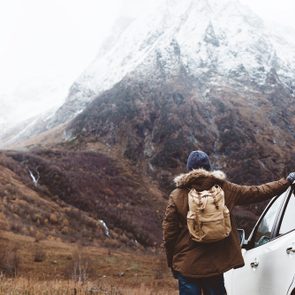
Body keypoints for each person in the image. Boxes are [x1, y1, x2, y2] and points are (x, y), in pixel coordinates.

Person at [162, 150, 295, 295]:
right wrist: (286, 182)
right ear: (209, 168)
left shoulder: (177, 195)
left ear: (189, 169)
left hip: (187, 266)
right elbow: (257, 192)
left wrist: (172, 263)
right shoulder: (224, 189)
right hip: (215, 265)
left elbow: (169, 234)